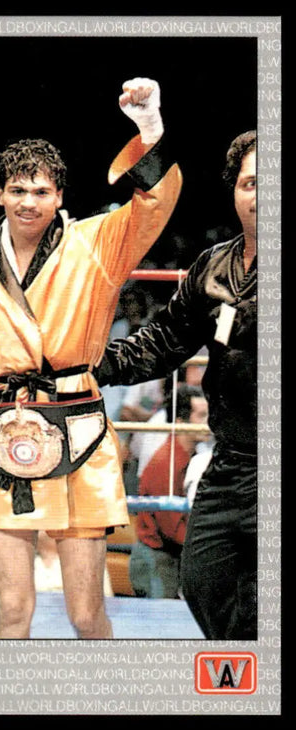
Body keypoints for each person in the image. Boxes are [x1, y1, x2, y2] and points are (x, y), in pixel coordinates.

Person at [0, 77, 183, 639]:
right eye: (18, 190)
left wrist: (149, 129)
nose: (28, 202)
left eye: (41, 192)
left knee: (86, 614)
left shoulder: (96, 244)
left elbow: (154, 204)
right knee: (11, 612)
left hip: (78, 426)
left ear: (60, 196)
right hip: (8, 430)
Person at [97, 130, 257, 639]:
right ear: (235, 191)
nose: (261, 194)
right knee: (205, 581)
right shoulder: (215, 266)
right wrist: (89, 363)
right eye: (251, 182)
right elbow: (163, 340)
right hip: (232, 459)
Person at [129, 384, 209, 598]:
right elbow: (170, 527)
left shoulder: (194, 458)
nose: (208, 424)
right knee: (161, 628)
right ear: (181, 422)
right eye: (201, 416)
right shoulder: (166, 464)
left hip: (171, 556)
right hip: (157, 559)